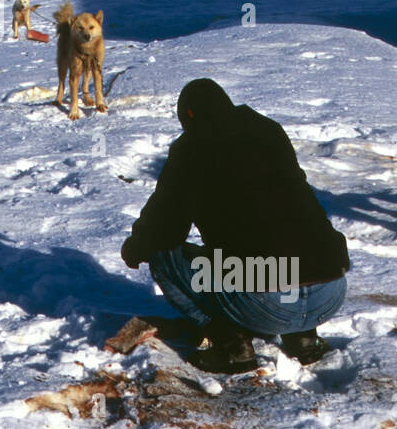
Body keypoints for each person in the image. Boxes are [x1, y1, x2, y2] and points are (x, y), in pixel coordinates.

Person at [121, 78, 350, 373]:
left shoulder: (193, 146)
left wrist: (137, 247)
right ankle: (303, 339)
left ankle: (232, 345)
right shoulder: (269, 131)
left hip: (268, 301)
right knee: (282, 242)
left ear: (189, 115)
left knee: (164, 257)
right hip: (330, 290)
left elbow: (165, 228)